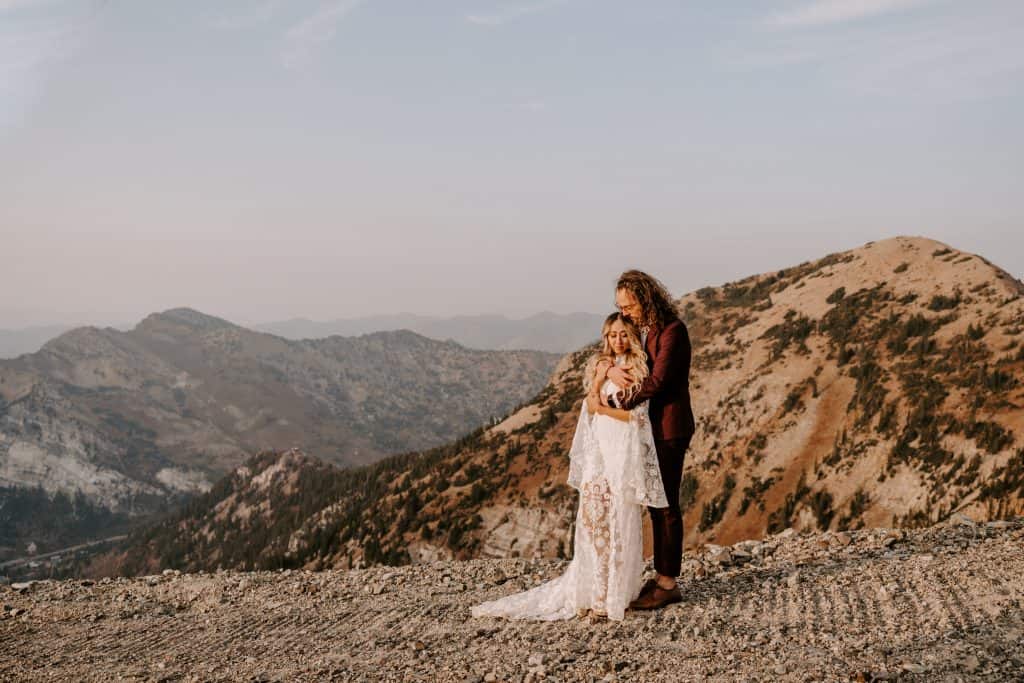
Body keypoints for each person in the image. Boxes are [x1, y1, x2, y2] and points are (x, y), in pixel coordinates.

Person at [470, 313, 668, 621]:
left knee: (617, 523)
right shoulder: (602, 366)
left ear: (633, 337)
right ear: (606, 338)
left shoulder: (638, 370)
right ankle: (592, 591)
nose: (618, 340)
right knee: (593, 523)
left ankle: (609, 597)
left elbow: (636, 418)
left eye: (624, 334)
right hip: (599, 451)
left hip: (620, 452)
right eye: (612, 335)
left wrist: (603, 407)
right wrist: (602, 378)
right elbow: (589, 405)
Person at [598, 269, 695, 611]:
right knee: (654, 503)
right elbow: (613, 345)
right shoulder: (644, 330)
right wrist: (608, 369)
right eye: (619, 307)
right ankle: (661, 575)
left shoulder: (673, 331)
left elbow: (658, 380)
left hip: (669, 428)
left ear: (646, 298)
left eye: (628, 305)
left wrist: (621, 400)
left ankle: (668, 583)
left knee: (666, 505)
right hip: (646, 430)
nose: (624, 312)